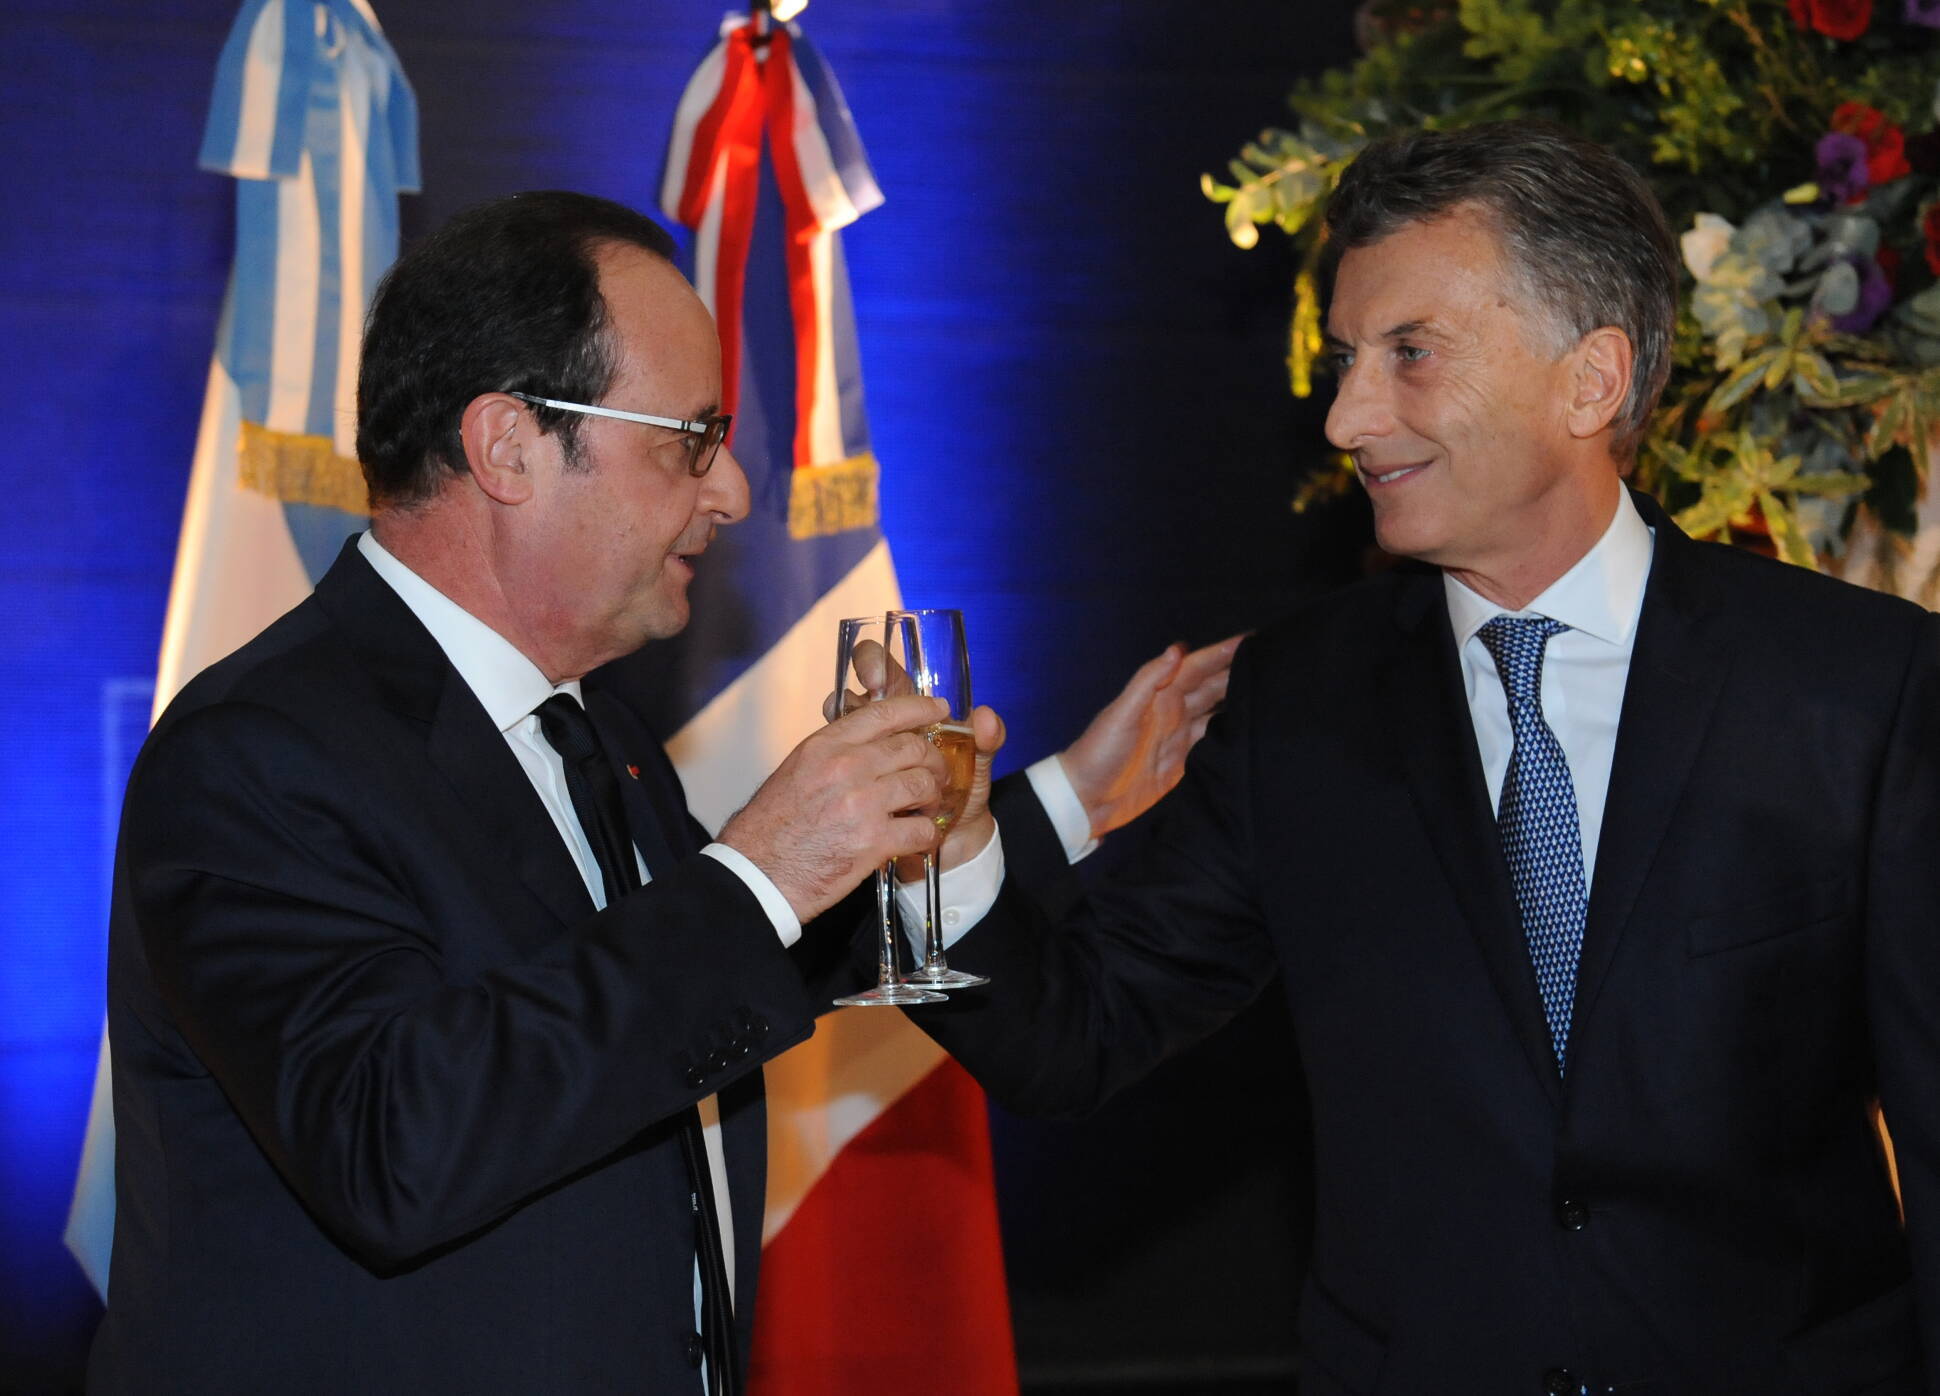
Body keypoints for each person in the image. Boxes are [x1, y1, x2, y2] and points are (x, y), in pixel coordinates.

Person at [91, 190, 1235, 1394]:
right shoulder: (256, 751)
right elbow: (394, 1144)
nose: (733, 490)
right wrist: (759, 867)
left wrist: (1060, 801)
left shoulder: (594, 730)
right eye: (688, 439)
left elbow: (724, 970)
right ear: (507, 447)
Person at [921, 120, 1940, 1393]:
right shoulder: (1297, 702)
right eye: (1348, 360)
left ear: (1590, 379)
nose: (1347, 415)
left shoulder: (1856, 684)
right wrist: (950, 850)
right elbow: (1075, 1039)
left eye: (1408, 355)